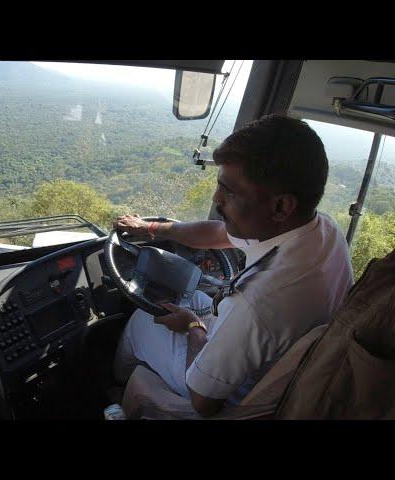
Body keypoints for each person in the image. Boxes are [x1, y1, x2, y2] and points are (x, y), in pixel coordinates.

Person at [113, 114, 354, 418]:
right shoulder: (322, 230)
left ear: (281, 206)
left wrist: (193, 328)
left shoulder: (257, 303)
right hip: (274, 362)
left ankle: (115, 384)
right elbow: (217, 233)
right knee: (191, 299)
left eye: (229, 190)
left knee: (143, 319)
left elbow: (204, 400)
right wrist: (153, 228)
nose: (216, 199)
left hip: (235, 395)